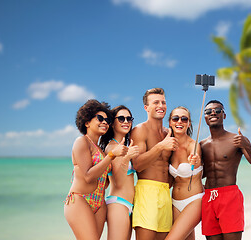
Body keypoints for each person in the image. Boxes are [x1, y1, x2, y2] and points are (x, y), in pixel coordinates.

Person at [199, 100, 251, 240]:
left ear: (224, 115)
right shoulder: (201, 145)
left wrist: (247, 146)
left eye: (217, 110)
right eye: (208, 111)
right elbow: (200, 175)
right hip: (208, 197)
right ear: (204, 117)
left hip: (229, 196)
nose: (213, 113)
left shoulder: (237, 140)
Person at [64, 99, 128, 240]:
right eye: (100, 118)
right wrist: (112, 155)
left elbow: (104, 181)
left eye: (107, 120)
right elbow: (88, 176)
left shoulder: (100, 149)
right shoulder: (81, 142)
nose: (105, 122)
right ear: (86, 122)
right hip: (80, 200)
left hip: (100, 203)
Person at [131, 88, 178, 240]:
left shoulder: (168, 132)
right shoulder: (140, 130)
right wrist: (160, 146)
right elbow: (137, 164)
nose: (161, 105)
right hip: (147, 192)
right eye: (156, 102)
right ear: (146, 107)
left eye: (163, 102)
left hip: (165, 193)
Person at [99, 105, 139, 240]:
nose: (126, 121)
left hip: (129, 204)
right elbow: (118, 180)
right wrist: (127, 158)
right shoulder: (112, 148)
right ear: (112, 123)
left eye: (129, 118)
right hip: (118, 203)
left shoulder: (125, 146)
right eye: (121, 118)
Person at [165, 107, 204, 240]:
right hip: (175, 202)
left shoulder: (193, 145)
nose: (179, 121)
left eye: (184, 119)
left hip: (194, 201)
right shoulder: (169, 147)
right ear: (170, 122)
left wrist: (195, 160)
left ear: (189, 123)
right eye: (175, 118)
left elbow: (196, 159)